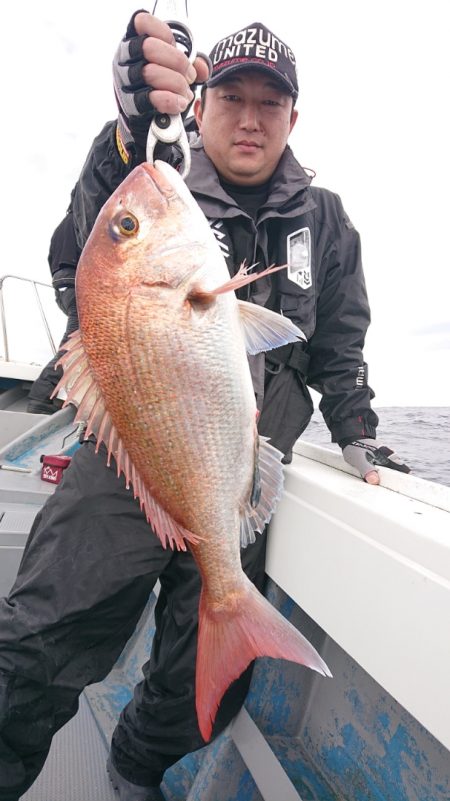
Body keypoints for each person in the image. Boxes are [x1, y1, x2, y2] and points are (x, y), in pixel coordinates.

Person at [0, 12, 410, 801]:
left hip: (234, 477)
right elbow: (83, 254)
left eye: (270, 103)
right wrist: (125, 139)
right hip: (132, 451)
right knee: (37, 638)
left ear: (294, 117)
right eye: (231, 99)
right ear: (198, 104)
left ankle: (134, 765)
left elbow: (340, 342)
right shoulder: (160, 176)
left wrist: (357, 429)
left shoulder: (325, 223)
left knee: (207, 684)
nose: (250, 119)